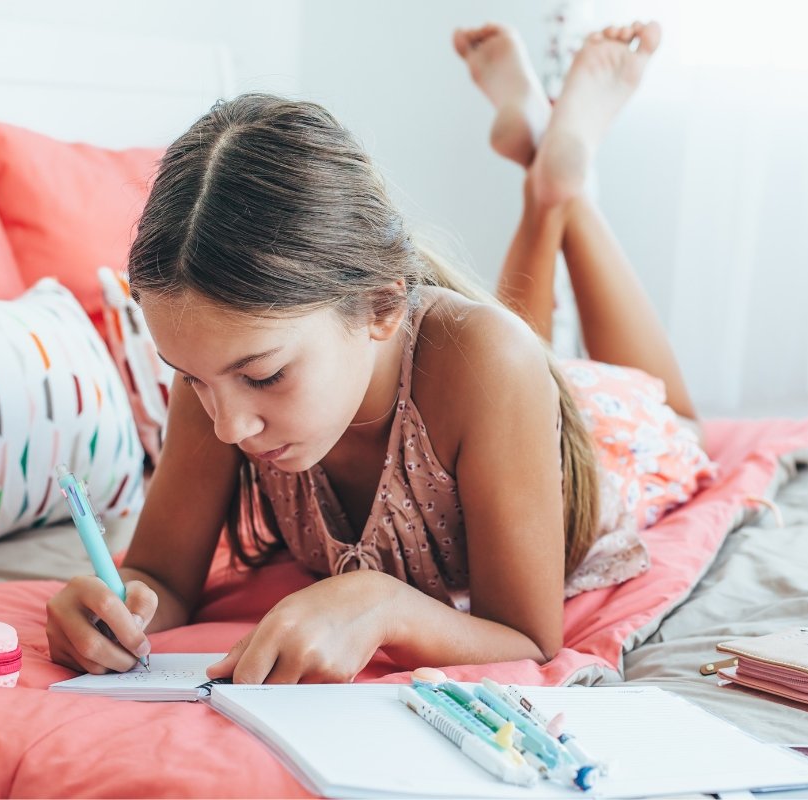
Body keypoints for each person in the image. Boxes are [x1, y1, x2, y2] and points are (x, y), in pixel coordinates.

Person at [46, 20, 713, 684]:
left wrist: (383, 604)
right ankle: (546, 162)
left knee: (666, 414)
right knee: (504, 350)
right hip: (491, 389)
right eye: (191, 380)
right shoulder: (222, 376)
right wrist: (113, 608)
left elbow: (530, 639)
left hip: (599, 439)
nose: (229, 427)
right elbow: (159, 574)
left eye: (268, 375)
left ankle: (560, 189)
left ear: (382, 306)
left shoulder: (489, 362)